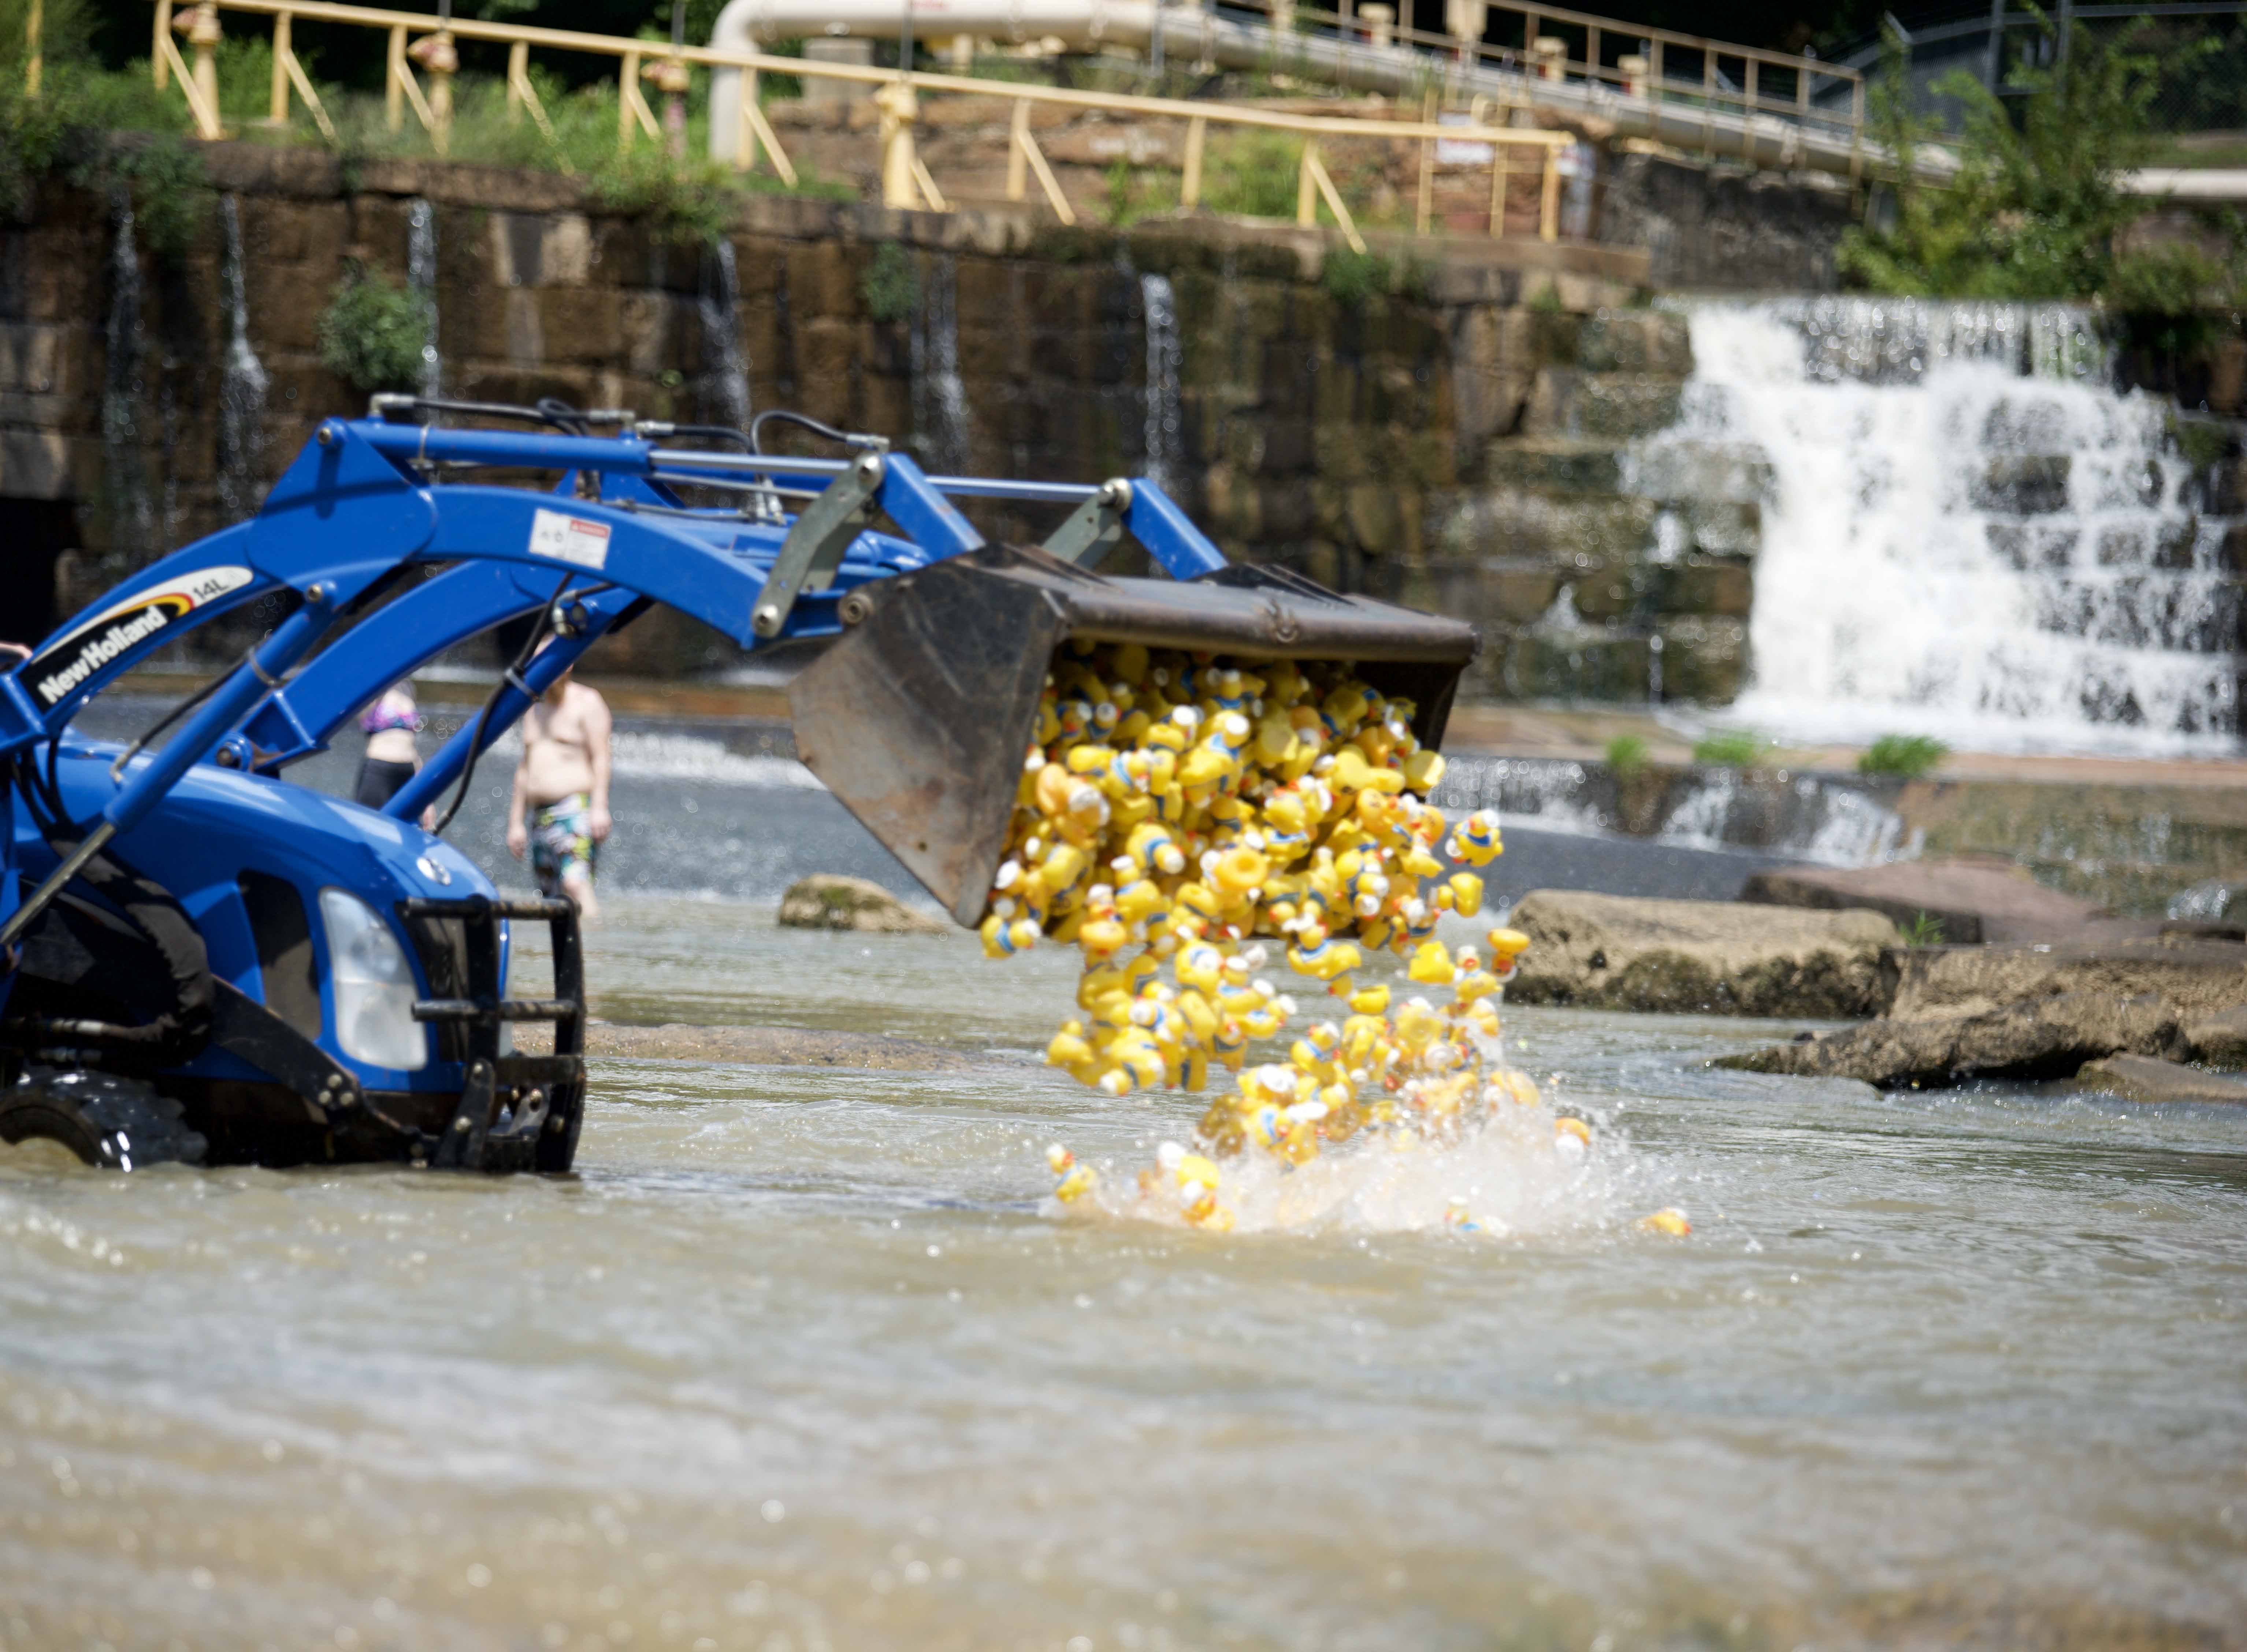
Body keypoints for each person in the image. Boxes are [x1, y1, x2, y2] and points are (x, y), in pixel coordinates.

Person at [506, 662, 613, 918]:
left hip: (575, 809)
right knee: (552, 900)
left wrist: (600, 807)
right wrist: (516, 823)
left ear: (569, 664)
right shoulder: (532, 707)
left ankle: (597, 950)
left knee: (576, 885)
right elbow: (524, 767)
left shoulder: (587, 702)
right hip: (540, 815)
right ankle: (562, 956)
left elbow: (602, 757)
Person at [355, 683, 427, 811]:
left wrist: (428, 802)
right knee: (370, 825)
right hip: (380, 768)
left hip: (408, 769)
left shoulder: (407, 687)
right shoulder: (372, 687)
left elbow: (410, 742)